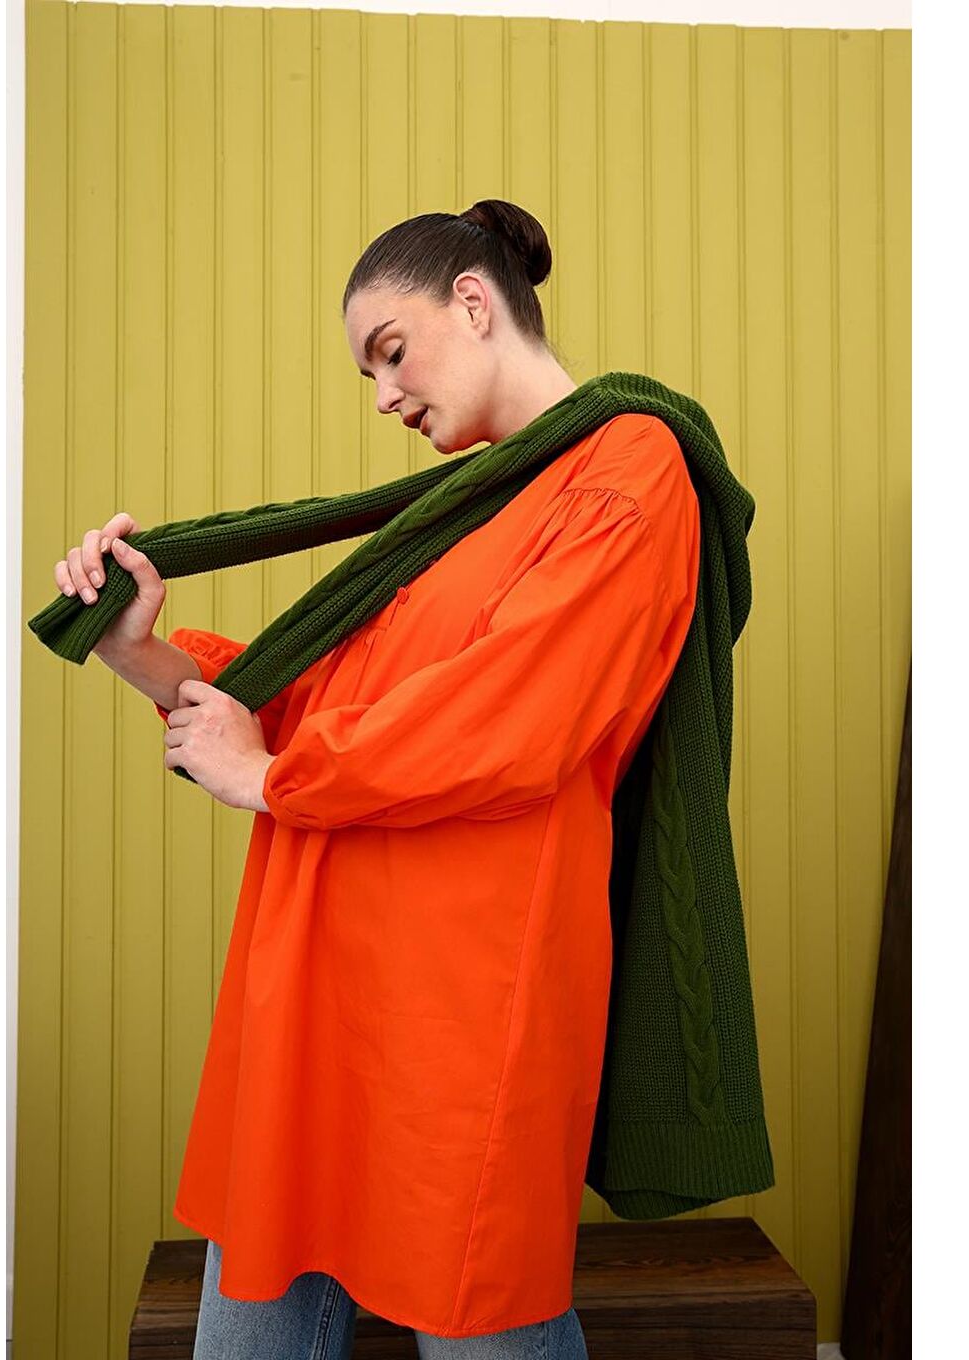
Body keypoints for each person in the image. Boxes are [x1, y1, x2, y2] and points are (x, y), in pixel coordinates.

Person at [55, 200, 701, 1359]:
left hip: (463, 1000)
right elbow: (333, 701)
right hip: (316, 981)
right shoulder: (470, 504)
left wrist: (271, 782)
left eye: (391, 352)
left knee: (479, 1315)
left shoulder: (627, 468)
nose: (385, 397)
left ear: (474, 301)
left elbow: (512, 720)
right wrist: (140, 650)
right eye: (370, 373)